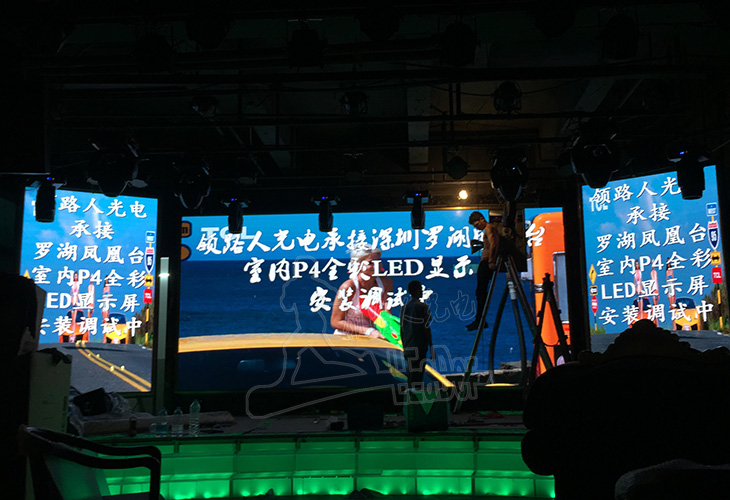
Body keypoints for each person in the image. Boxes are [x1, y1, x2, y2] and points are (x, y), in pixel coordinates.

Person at [331, 243, 393, 338]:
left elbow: (387, 316)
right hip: (345, 339)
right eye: (370, 263)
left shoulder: (386, 283)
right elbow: (336, 321)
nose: (376, 266)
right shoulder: (348, 287)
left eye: (378, 261)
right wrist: (368, 331)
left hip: (371, 338)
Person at [466, 211, 500, 331]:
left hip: (486, 262)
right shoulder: (488, 229)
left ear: (482, 219)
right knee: (480, 292)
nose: (477, 228)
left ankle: (480, 320)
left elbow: (493, 244)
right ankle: (479, 319)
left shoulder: (489, 228)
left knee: (481, 292)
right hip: (485, 261)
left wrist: (491, 261)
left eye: (477, 225)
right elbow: (490, 244)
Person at [400, 280, 434, 388]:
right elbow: (426, 328)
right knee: (418, 376)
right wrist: (431, 346)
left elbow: (402, 329)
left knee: (411, 375)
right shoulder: (422, 307)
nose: (422, 291)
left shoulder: (404, 308)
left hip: (408, 347)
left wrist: (404, 346)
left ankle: (410, 395)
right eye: (420, 289)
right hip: (419, 347)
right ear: (416, 291)